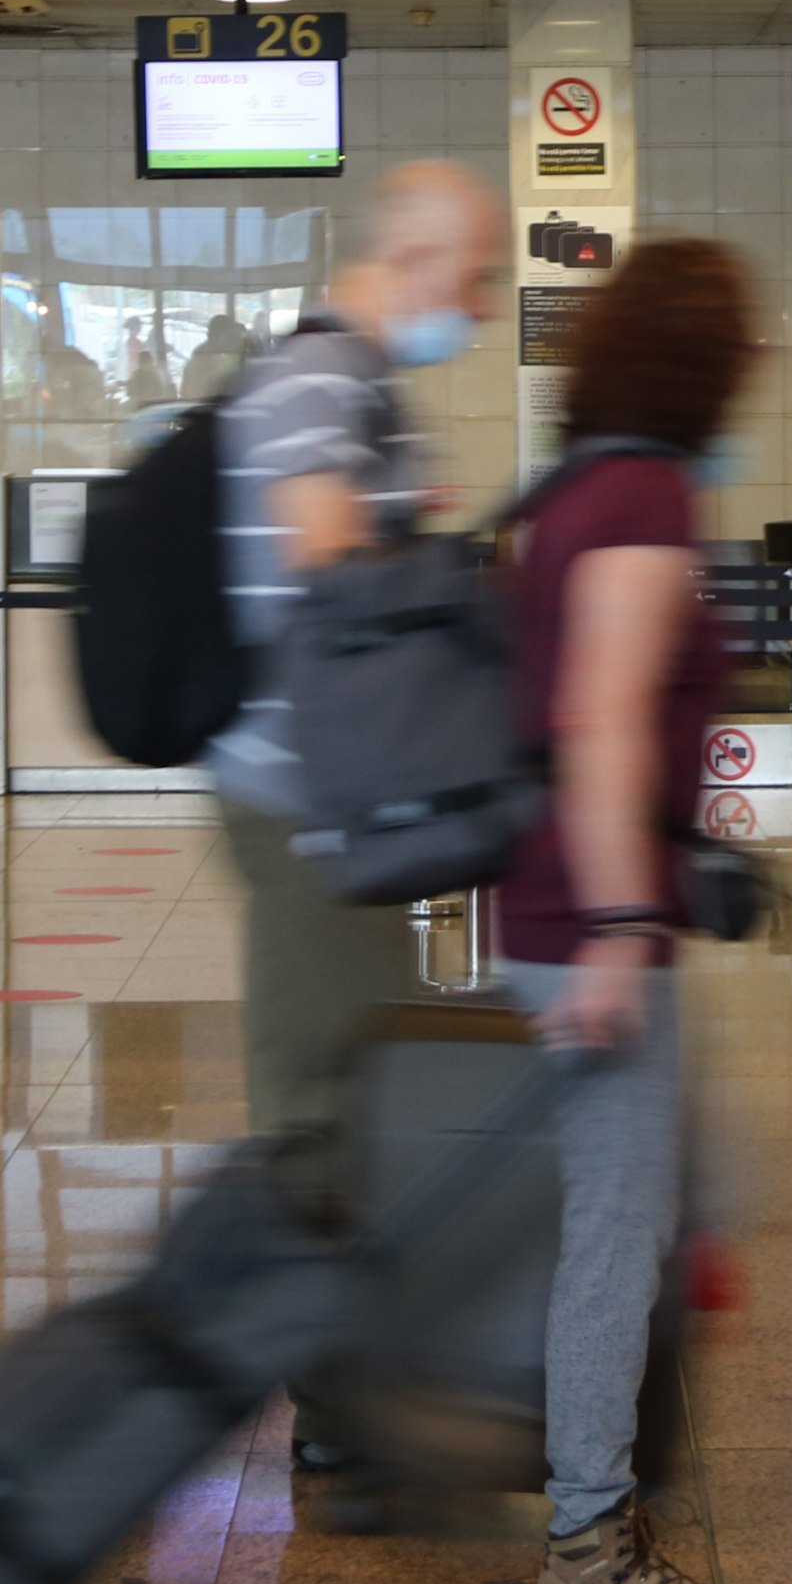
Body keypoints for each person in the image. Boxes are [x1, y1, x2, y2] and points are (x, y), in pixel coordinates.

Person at [200, 161, 508, 1460]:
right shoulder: (321, 381)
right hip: (297, 803)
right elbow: (327, 566)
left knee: (351, 1079)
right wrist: (464, 589)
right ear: (420, 259)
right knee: (321, 1095)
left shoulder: (361, 383)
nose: (483, 307)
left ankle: (346, 1379)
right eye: (478, 276)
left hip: (336, 802)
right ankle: (329, 1404)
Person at [498, 235, 768, 1584]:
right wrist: (617, 922)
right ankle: (588, 1551)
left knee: (652, 1210)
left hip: (569, 907)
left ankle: (603, 1496)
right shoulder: (642, 491)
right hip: (588, 923)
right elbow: (599, 719)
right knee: (615, 1234)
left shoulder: (573, 487)